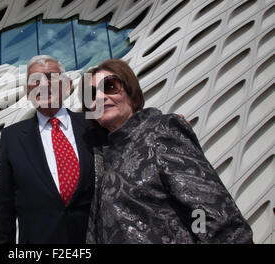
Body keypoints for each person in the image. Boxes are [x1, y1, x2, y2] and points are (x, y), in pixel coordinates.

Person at [82, 59, 253, 243]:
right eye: (91, 95)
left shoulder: (160, 131)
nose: (100, 97)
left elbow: (206, 210)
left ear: (130, 91)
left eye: (109, 86)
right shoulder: (104, 157)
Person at [0, 55, 99, 243]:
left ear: (67, 85)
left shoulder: (93, 127)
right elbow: (3, 210)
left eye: (50, 77)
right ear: (27, 91)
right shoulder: (12, 138)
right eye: (34, 81)